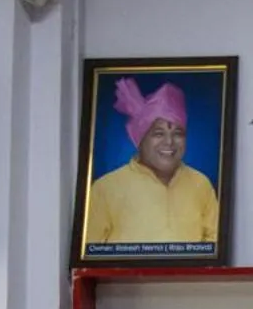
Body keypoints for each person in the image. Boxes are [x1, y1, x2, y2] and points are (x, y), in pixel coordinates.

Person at [81, 79, 219, 247]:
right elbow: (90, 252)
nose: (169, 142)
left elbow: (214, 247)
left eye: (178, 133)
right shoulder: (105, 189)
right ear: (139, 139)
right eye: (158, 133)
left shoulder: (201, 185)